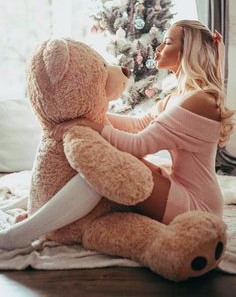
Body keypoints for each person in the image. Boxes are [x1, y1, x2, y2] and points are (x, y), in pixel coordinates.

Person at [0, 20, 234, 250]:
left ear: (188, 51)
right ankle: (38, 215)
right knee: (107, 168)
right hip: (181, 189)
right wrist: (90, 118)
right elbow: (138, 124)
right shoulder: (180, 95)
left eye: (168, 42)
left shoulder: (200, 100)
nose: (159, 48)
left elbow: (139, 144)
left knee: (105, 168)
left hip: (197, 207)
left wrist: (93, 126)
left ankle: (20, 235)